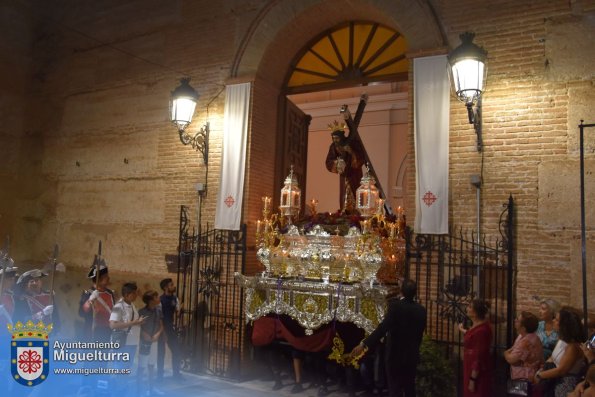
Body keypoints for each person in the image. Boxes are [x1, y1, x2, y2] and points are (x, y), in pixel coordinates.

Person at [350, 279, 426, 397]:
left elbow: (382, 328)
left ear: (402, 291)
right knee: (410, 388)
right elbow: (419, 335)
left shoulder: (396, 307)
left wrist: (364, 344)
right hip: (412, 356)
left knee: (394, 389)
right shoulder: (421, 311)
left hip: (395, 356)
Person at [535, 306, 586, 397]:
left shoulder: (572, 346)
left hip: (565, 385)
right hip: (554, 381)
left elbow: (561, 370)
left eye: (557, 320)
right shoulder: (562, 339)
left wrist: (540, 375)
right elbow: (552, 358)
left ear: (565, 325)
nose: (553, 321)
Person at [325, 123, 365, 212]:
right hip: (344, 175)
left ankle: (358, 212)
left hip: (354, 174)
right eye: (333, 138)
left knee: (355, 193)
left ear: (342, 137)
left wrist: (351, 151)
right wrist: (337, 163)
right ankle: (344, 211)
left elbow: (361, 158)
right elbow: (328, 162)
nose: (335, 140)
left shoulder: (353, 143)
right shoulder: (334, 146)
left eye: (337, 138)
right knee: (344, 196)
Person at [458, 299, 493, 397]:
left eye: (469, 307)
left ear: (475, 312)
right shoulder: (477, 326)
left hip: (476, 372)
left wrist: (473, 379)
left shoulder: (482, 330)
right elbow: (473, 336)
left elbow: (479, 357)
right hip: (469, 366)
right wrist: (463, 330)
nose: (467, 308)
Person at [504, 311, 543, 395]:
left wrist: (506, 354)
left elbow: (511, 359)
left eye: (517, 320)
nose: (515, 320)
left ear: (524, 328)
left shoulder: (526, 342)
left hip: (524, 378)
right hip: (525, 376)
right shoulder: (526, 336)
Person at [109, 282, 147, 371]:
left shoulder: (132, 305)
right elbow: (112, 325)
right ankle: (119, 384)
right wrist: (134, 323)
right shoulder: (118, 306)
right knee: (120, 368)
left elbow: (132, 322)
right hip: (123, 343)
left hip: (132, 342)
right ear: (126, 294)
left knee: (127, 368)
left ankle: (123, 384)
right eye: (134, 293)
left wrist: (139, 322)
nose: (136, 295)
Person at [79, 261, 115, 342]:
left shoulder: (110, 293)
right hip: (92, 331)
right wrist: (90, 300)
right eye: (106, 276)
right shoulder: (87, 293)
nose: (108, 278)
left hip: (107, 331)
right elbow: (81, 312)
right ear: (99, 279)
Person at [157, 278, 184, 381]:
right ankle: (160, 377)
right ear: (165, 287)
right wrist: (163, 332)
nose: (174, 286)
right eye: (171, 285)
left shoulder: (174, 298)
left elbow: (177, 313)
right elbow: (159, 317)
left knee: (176, 351)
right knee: (161, 353)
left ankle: (176, 375)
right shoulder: (160, 300)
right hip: (162, 329)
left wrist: (179, 310)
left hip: (171, 329)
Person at [138, 290, 164, 396]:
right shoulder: (142, 312)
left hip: (154, 341)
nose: (158, 298)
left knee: (151, 366)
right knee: (142, 366)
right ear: (151, 300)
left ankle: (151, 388)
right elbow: (139, 325)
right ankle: (139, 389)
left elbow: (161, 325)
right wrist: (144, 334)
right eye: (156, 296)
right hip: (145, 342)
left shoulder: (158, 310)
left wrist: (158, 334)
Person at [0, 265, 18, 332]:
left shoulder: (11, 295)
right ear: (2, 280)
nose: (13, 283)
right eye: (10, 280)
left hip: (7, 331)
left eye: (13, 280)